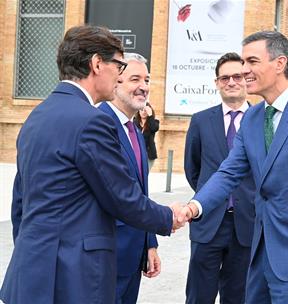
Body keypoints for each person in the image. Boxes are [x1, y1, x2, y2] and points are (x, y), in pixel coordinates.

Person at [0, 25, 185, 304]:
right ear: (97, 64)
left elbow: (20, 202)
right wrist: (169, 216)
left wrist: (37, 249)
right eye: (119, 65)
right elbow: (122, 198)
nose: (119, 74)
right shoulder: (92, 121)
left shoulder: (37, 115)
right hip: (74, 278)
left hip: (32, 272)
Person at [179, 31, 288, 303]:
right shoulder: (253, 118)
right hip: (257, 256)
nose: (244, 70)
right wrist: (194, 207)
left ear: (280, 63)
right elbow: (228, 173)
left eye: (252, 61)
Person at [184, 52, 256, 304]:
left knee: (239, 296)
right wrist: (211, 198)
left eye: (237, 76)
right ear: (216, 82)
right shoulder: (201, 121)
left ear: (247, 79)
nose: (231, 82)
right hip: (208, 223)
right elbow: (192, 169)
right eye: (224, 77)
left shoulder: (262, 121)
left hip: (247, 224)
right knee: (198, 296)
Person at [98, 52, 160, 304]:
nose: (143, 87)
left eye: (146, 80)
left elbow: (140, 193)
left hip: (133, 255)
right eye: (135, 79)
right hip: (106, 256)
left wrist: (150, 243)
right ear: (115, 81)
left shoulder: (134, 128)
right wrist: (167, 218)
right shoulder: (98, 123)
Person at [134, 102, 159, 171]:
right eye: (141, 110)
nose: (143, 112)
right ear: (138, 111)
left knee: (145, 174)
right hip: (136, 154)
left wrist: (150, 115)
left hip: (149, 155)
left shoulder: (154, 122)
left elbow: (154, 128)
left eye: (145, 111)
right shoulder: (134, 123)